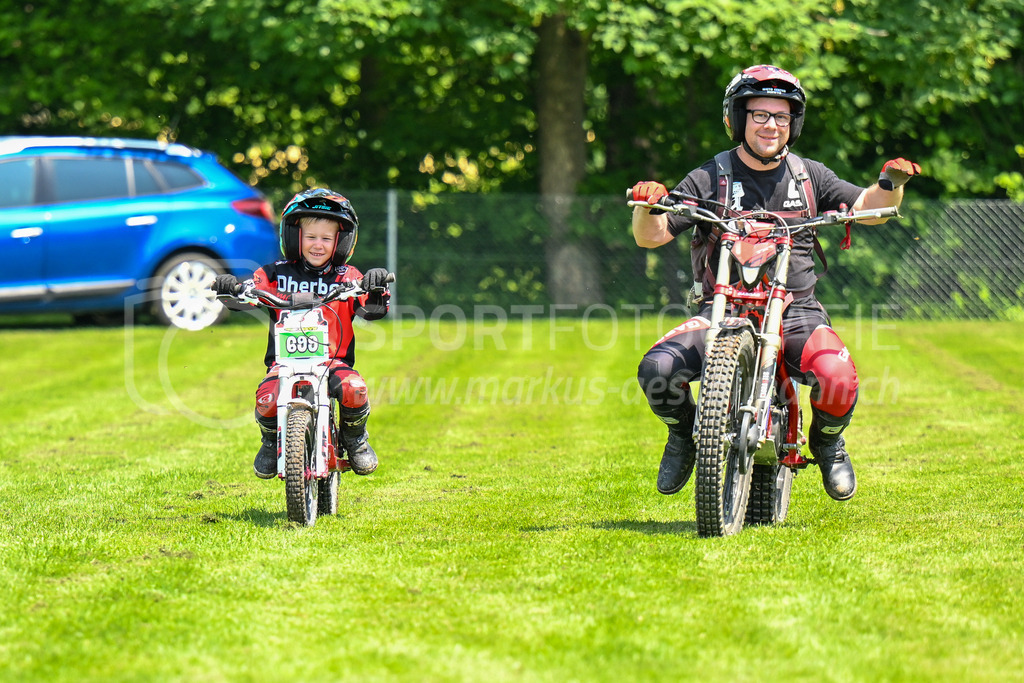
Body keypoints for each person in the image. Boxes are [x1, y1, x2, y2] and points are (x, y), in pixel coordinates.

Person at [629, 64, 920, 501]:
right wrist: (646, 206)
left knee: (837, 376)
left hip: (795, 311)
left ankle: (827, 444)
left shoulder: (809, 176)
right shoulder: (709, 178)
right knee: (658, 370)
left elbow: (869, 207)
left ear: (794, 123)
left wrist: (890, 184)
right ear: (738, 117)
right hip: (720, 310)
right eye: (760, 114)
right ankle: (684, 435)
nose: (771, 125)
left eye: (782, 116)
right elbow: (650, 236)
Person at [214, 188, 391, 479]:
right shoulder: (274, 274)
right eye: (310, 237)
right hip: (283, 364)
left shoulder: (348, 277)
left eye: (326, 238)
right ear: (295, 238)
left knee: (354, 389)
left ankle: (355, 438)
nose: (317, 245)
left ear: (341, 241)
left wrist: (374, 286)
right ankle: (271, 441)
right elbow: (246, 296)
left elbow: (372, 309)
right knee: (266, 398)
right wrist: (230, 288)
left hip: (334, 362)